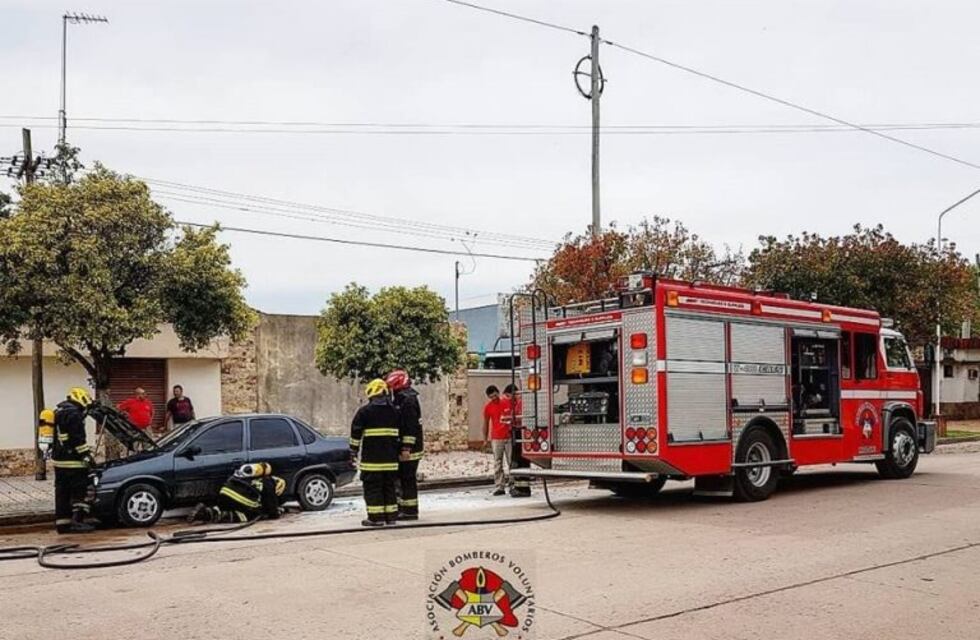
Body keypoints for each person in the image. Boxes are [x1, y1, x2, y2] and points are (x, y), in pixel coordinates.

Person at [350, 379, 401, 527]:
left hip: (372, 462)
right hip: (391, 461)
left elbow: (355, 434)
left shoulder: (364, 412)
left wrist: (353, 452)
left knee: (373, 489)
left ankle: (376, 518)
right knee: (389, 488)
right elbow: (403, 432)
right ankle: (391, 517)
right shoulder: (395, 411)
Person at [52, 388, 96, 534]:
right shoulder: (74, 414)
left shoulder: (58, 412)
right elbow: (78, 438)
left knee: (62, 494)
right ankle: (77, 522)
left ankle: (62, 524)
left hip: (59, 461)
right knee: (79, 491)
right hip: (74, 462)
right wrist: (86, 456)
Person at [188, 462, 285, 524]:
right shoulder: (269, 483)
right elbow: (271, 508)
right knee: (252, 514)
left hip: (224, 493)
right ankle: (222, 516)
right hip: (238, 498)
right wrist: (276, 512)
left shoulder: (249, 474)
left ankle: (205, 513)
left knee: (225, 508)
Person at [386, 369, 423, 521]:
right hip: (407, 447)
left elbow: (409, 427)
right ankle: (405, 509)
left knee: (407, 479)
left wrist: (406, 448)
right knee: (403, 478)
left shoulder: (407, 401)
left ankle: (410, 511)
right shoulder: (404, 398)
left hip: (410, 449)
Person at [502, 383, 531, 498]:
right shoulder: (518, 403)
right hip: (517, 433)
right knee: (517, 462)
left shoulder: (521, 403)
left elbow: (520, 418)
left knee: (520, 461)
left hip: (520, 433)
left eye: (508, 396)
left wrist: (510, 420)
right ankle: (520, 487)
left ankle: (523, 489)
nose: (508, 399)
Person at [483, 385, 512, 496]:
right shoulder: (488, 407)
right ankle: (500, 486)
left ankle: (512, 483)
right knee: (497, 462)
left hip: (508, 436)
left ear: (498, 393)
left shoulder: (506, 403)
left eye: (495, 395)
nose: (494, 398)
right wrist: (485, 439)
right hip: (496, 438)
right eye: (491, 397)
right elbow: (485, 423)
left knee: (511, 461)